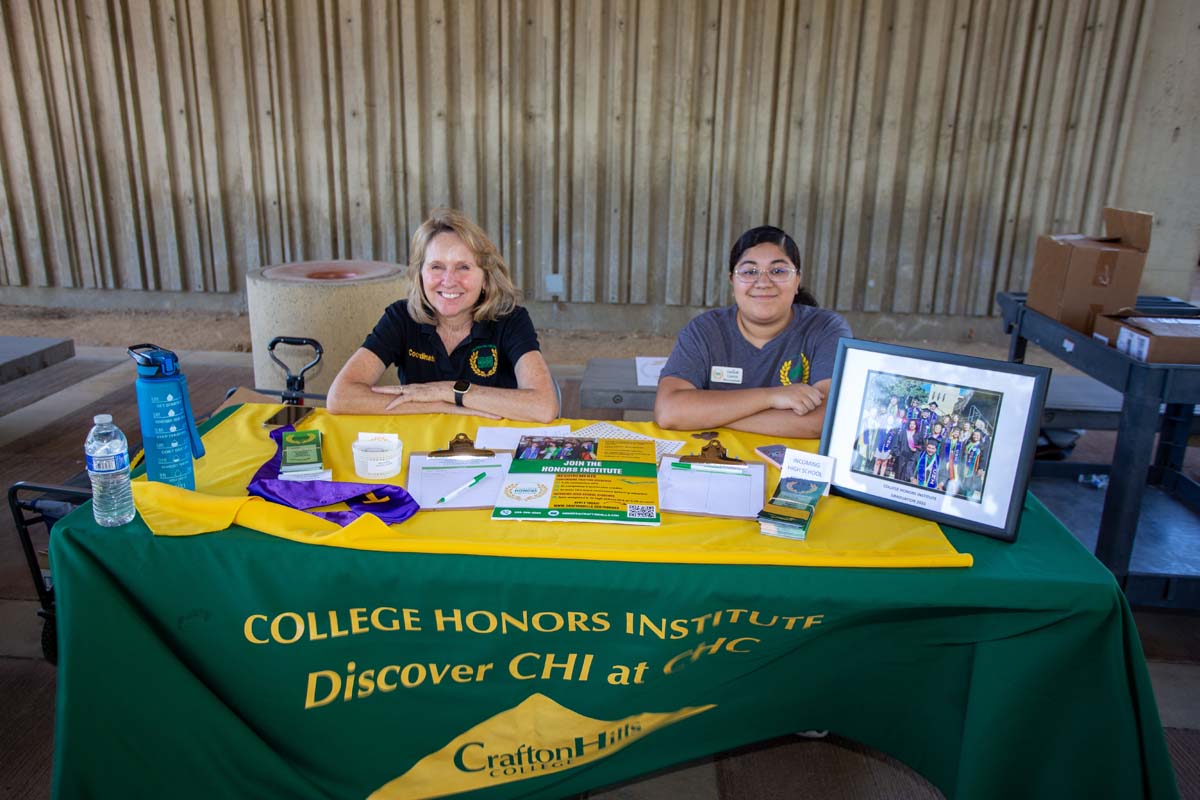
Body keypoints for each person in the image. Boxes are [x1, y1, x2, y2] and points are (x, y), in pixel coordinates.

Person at [327, 208, 558, 422]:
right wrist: (439, 405)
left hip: (491, 446)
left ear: (486, 279)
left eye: (463, 267)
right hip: (421, 444)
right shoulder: (401, 317)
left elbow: (544, 406)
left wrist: (447, 391)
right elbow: (340, 397)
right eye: (436, 266)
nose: (448, 281)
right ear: (420, 275)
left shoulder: (510, 319)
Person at [654, 225, 852, 438]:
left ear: (797, 281)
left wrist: (711, 415)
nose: (763, 283)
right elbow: (669, 411)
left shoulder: (826, 329)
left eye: (778, 271)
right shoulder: (705, 331)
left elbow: (824, 421)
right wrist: (771, 397)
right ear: (732, 281)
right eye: (749, 272)